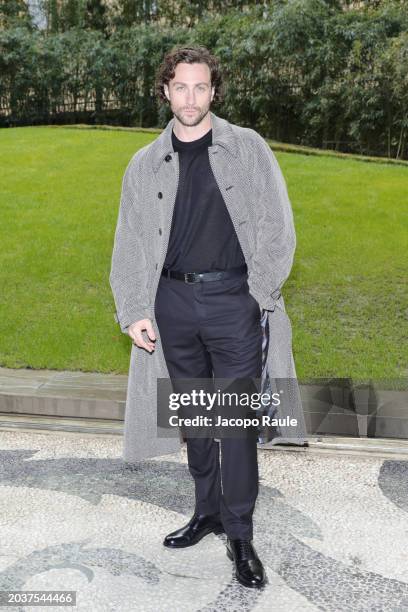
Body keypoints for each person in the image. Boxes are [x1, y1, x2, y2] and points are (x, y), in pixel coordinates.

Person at [110, 44, 305, 589]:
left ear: (213, 91)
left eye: (200, 87)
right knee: (196, 419)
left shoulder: (247, 148)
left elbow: (278, 228)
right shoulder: (145, 163)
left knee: (235, 423)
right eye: (180, 87)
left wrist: (256, 296)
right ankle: (206, 511)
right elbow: (127, 241)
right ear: (165, 91)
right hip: (171, 305)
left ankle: (240, 533)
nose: (190, 98)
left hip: (234, 301)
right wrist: (133, 308)